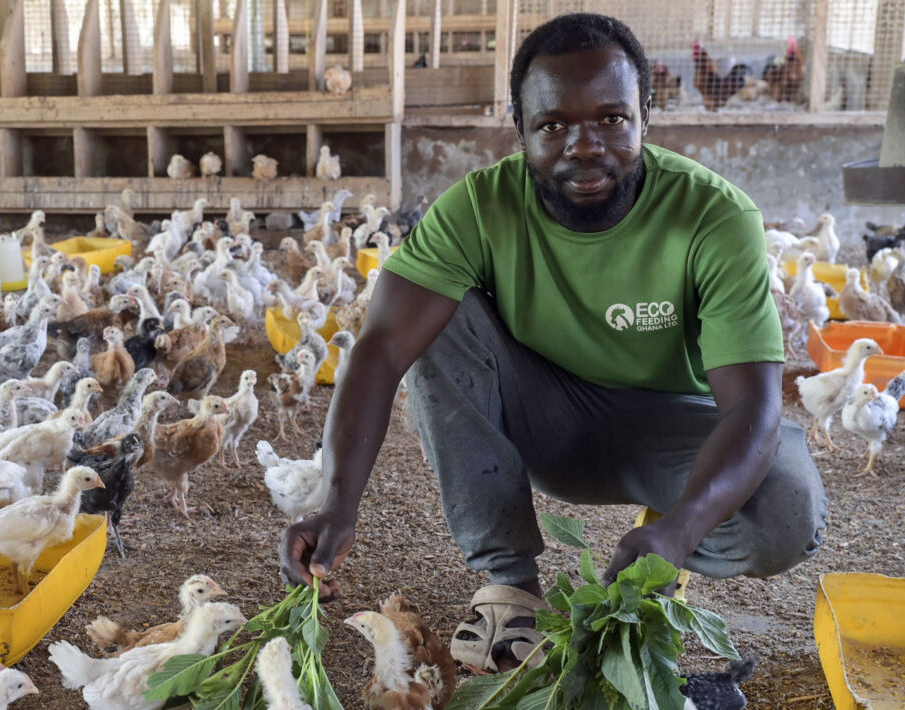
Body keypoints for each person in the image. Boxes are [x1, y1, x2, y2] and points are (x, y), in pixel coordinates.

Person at [278, 12, 827, 674]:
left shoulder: (714, 216)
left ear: (646, 116)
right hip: (547, 424)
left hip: (678, 434)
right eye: (553, 125)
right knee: (433, 315)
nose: (584, 146)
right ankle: (510, 588)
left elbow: (753, 408)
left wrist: (680, 531)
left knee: (787, 513)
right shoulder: (478, 208)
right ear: (520, 129)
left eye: (611, 119)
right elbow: (380, 351)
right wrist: (336, 505)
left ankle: (666, 526)